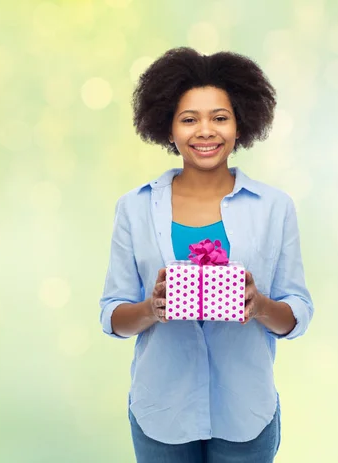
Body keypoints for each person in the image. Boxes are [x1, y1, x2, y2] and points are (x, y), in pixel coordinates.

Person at [99, 47, 315, 463]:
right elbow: (112, 314)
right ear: (168, 126)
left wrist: (259, 305)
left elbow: (298, 310)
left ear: (240, 124)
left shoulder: (274, 206)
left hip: (246, 413)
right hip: (160, 411)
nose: (205, 131)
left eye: (219, 117)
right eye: (189, 119)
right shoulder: (134, 207)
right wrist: (152, 308)